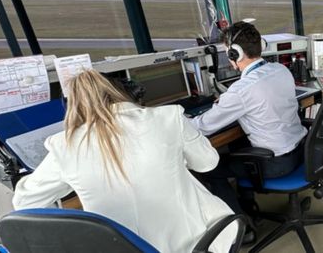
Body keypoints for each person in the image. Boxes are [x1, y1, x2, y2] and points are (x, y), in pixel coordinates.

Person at [12, 69, 238, 253]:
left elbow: (25, 203)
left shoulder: (64, 146)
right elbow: (207, 163)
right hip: (189, 244)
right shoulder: (167, 117)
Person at [190, 21, 307, 215]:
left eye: (228, 53)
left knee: (208, 169)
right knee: (238, 144)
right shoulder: (281, 69)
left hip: (275, 164)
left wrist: (177, 119)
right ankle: (247, 202)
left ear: (234, 54)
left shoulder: (242, 90)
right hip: (300, 151)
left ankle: (243, 227)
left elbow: (202, 127)